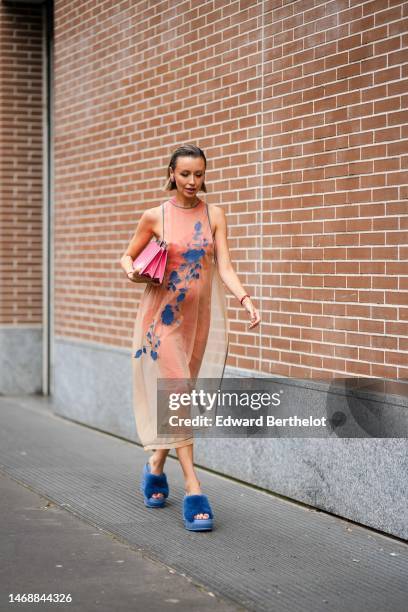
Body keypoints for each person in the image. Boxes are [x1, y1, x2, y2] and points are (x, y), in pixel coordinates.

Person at [120, 144, 260, 531]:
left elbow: (225, 266)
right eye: (185, 174)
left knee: (177, 399)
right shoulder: (155, 216)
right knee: (177, 391)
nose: (192, 182)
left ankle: (154, 466)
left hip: (198, 321)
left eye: (198, 174)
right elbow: (128, 257)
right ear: (171, 173)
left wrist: (246, 299)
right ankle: (194, 489)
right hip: (162, 319)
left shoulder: (215, 215)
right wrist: (133, 272)